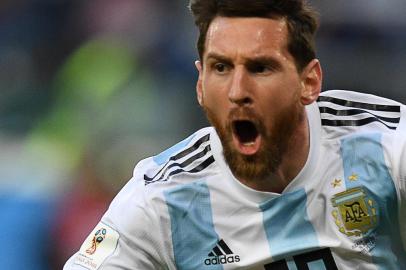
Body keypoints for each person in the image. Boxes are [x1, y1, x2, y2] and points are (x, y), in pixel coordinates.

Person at [64, 0, 406, 269]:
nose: (237, 91)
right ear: (200, 85)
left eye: (260, 68)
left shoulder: (385, 145)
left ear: (309, 82)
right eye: (221, 68)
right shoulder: (162, 198)